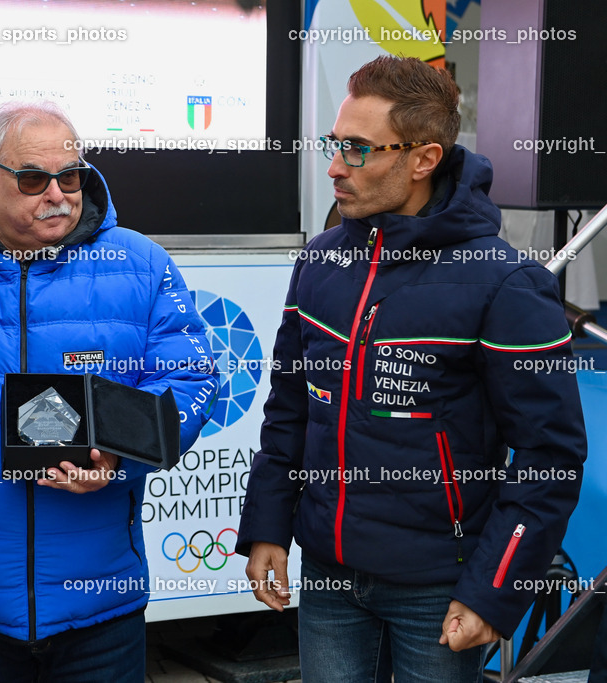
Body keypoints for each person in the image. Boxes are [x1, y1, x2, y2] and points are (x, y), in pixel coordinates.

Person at [237, 56, 586, 682]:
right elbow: (290, 406)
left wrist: (493, 591)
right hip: (328, 578)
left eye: (358, 149)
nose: (335, 166)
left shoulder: (506, 283)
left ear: (423, 159)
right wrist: (267, 523)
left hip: (441, 592)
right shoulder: (320, 262)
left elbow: (549, 456)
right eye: (333, 143)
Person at [0, 101, 219, 682]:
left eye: (70, 176)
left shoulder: (141, 263)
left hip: (99, 607)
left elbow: (193, 380)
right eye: (32, 179)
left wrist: (118, 459)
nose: (57, 194)